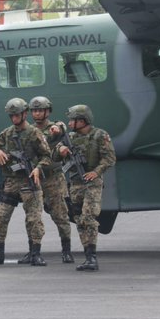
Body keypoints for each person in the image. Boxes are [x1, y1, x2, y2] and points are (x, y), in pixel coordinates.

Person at [0, 98, 51, 267]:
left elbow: (47, 155)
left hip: (29, 181)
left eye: (17, 115)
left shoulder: (34, 133)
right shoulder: (7, 133)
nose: (14, 118)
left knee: (34, 220)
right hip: (11, 182)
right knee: (1, 220)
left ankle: (35, 253)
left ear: (24, 114)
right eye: (11, 115)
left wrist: (38, 168)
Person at [54, 105, 116, 271]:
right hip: (75, 184)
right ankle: (88, 256)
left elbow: (109, 158)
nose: (70, 123)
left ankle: (92, 257)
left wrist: (96, 172)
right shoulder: (70, 138)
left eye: (73, 120)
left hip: (92, 183)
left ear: (82, 120)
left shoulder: (99, 135)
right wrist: (61, 150)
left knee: (89, 217)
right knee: (80, 219)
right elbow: (54, 155)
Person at [18, 96, 74, 264]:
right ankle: (33, 251)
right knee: (32, 216)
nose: (37, 113)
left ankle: (66, 250)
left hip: (53, 178)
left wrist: (58, 127)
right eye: (34, 110)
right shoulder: (27, 130)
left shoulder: (54, 128)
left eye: (40, 110)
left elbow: (62, 127)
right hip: (34, 178)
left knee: (60, 215)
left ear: (48, 111)